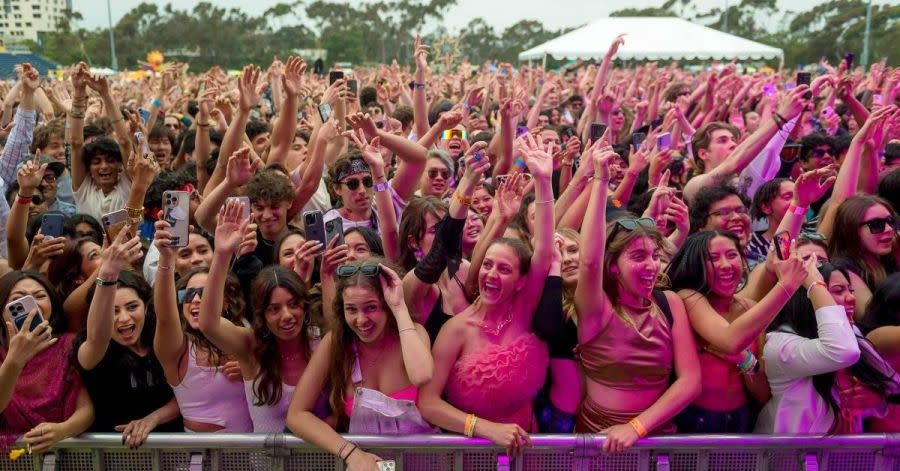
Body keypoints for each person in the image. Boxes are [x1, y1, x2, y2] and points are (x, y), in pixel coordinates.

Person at [419, 133, 553, 456]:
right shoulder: (456, 330)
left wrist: (544, 181)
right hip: (472, 453)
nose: (491, 274)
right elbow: (427, 402)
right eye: (487, 265)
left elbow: (545, 251)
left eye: (504, 270)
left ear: (521, 282)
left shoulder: (524, 308)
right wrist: (485, 429)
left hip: (526, 450)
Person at [572, 143, 700, 452]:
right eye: (638, 256)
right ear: (613, 267)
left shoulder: (670, 303)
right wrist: (601, 181)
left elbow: (690, 381)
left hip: (655, 436)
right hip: (599, 443)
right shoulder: (596, 307)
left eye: (655, 256)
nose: (652, 265)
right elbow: (589, 261)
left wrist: (637, 428)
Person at [286, 260, 434, 468]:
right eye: (351, 309)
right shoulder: (335, 343)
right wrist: (350, 453)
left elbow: (421, 375)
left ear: (387, 304)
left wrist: (399, 308)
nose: (361, 320)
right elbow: (296, 415)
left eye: (371, 307)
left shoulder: (413, 333)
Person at [668, 231, 807, 432]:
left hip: (741, 420)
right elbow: (730, 339)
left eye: (732, 255)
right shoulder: (688, 298)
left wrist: (744, 359)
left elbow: (763, 395)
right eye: (713, 258)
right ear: (696, 265)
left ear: (743, 261)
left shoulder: (751, 308)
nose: (725, 265)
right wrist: (786, 284)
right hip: (694, 420)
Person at [198, 199, 316, 432]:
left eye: (293, 304)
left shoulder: (319, 342)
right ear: (261, 314)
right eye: (274, 309)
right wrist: (222, 254)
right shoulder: (251, 346)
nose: (286, 316)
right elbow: (208, 323)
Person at [756, 261, 900, 434]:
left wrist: (877, 400)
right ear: (808, 297)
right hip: (790, 457)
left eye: (850, 290)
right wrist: (815, 284)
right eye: (839, 291)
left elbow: (893, 384)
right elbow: (844, 352)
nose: (851, 298)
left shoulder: (850, 332)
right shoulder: (781, 345)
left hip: (844, 456)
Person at [75, 227, 182, 448]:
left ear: (146, 307)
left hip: (172, 452)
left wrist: (153, 418)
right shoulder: (91, 350)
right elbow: (97, 338)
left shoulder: (160, 338)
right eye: (113, 311)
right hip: (115, 457)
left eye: (132, 306)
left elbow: (190, 393)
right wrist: (107, 274)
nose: (123, 318)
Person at [153, 221, 253, 432]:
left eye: (205, 293)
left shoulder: (244, 334)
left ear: (225, 301)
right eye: (188, 295)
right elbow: (165, 318)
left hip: (254, 459)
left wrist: (252, 369)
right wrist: (166, 258)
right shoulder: (176, 350)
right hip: (204, 459)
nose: (196, 300)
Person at [0, 271, 93, 452]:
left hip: (67, 455)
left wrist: (63, 430)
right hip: (11, 458)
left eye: (40, 296)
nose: (31, 306)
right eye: (19, 299)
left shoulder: (69, 344)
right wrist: (14, 360)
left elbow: (86, 408)